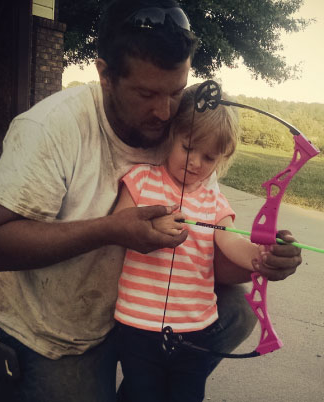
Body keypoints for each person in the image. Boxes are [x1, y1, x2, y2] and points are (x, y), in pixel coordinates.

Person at [0, 0, 302, 401]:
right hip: (59, 328)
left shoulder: (182, 133)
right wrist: (110, 230)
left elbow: (212, 253)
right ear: (105, 75)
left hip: (145, 316)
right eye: (146, 93)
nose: (165, 111)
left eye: (175, 91)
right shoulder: (50, 129)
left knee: (237, 312)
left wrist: (260, 261)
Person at [114, 84, 267, 401]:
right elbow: (120, 224)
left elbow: (230, 241)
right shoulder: (142, 179)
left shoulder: (213, 198)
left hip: (196, 328)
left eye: (209, 157)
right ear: (171, 136)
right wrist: (154, 225)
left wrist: (259, 255)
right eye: (188, 148)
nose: (196, 162)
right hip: (138, 324)